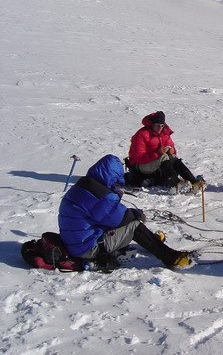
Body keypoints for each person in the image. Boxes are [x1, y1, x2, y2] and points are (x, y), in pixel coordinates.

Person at [58, 154, 193, 269]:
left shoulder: (84, 186)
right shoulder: (100, 194)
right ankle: (171, 258)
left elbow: (105, 215)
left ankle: (151, 241)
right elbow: (118, 218)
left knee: (130, 220)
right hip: (86, 249)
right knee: (134, 225)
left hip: (75, 243)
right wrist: (135, 213)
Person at [127, 111, 205, 192]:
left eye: (162, 125)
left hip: (156, 164)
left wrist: (172, 151)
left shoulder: (164, 133)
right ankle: (174, 183)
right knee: (163, 157)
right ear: (152, 124)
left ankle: (193, 181)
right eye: (157, 125)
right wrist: (157, 153)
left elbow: (171, 148)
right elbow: (138, 157)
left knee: (172, 157)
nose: (160, 128)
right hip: (140, 166)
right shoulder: (141, 134)